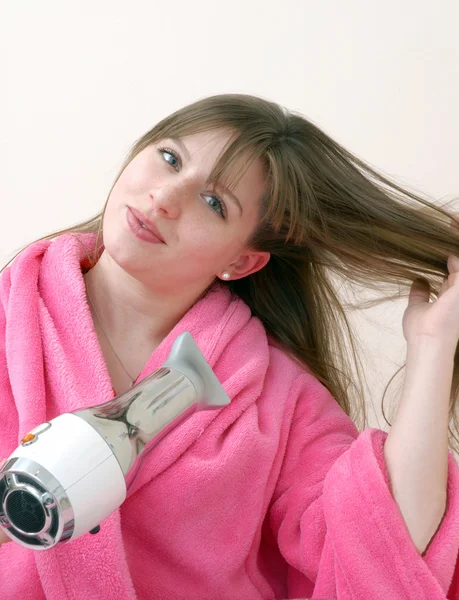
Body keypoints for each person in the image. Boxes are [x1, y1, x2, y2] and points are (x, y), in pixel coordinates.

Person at [0, 93, 459, 600]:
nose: (165, 198)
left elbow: (386, 548)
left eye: (214, 203)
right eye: (170, 158)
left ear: (241, 262)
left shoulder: (275, 400)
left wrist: (433, 344)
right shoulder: (9, 321)